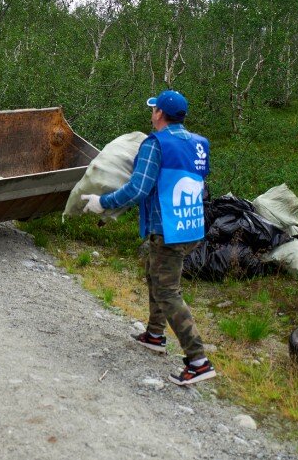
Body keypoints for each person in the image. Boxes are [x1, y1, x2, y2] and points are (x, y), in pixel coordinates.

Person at [81, 90, 216, 386]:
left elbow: (137, 189)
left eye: (154, 109)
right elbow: (199, 184)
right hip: (190, 223)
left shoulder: (155, 143)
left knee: (168, 290)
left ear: (159, 114)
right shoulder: (199, 143)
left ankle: (198, 361)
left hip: (167, 227)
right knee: (154, 274)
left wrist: (102, 203)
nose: (152, 113)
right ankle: (155, 334)